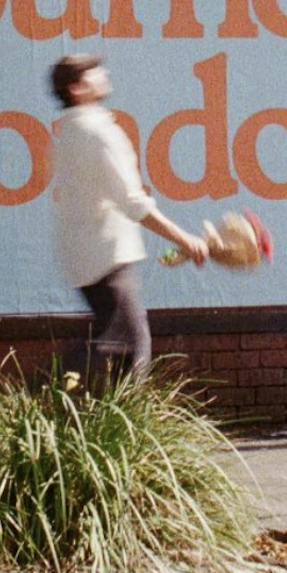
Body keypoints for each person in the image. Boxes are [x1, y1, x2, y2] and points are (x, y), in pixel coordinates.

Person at [49, 53, 207, 382]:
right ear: (77, 88)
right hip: (106, 253)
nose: (103, 74)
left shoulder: (72, 130)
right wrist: (185, 239)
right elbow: (132, 202)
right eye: (93, 72)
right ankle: (46, 386)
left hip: (86, 252)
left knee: (120, 342)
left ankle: (77, 398)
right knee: (131, 344)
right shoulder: (98, 132)